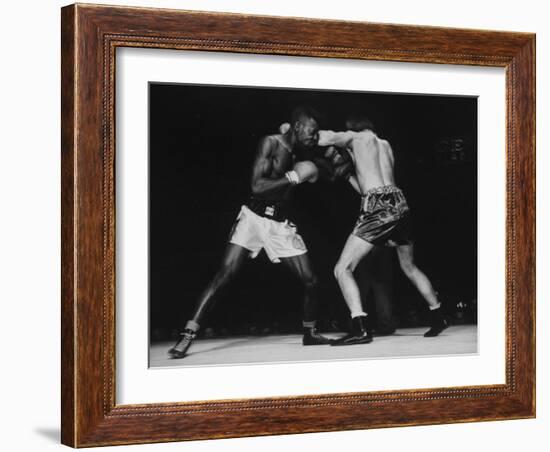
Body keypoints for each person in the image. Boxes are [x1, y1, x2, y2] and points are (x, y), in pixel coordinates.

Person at [168, 106, 332, 359]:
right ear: (298, 126)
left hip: (279, 224)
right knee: (224, 274)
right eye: (312, 131)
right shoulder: (270, 143)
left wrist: (320, 161)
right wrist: (293, 178)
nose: (315, 136)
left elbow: (324, 164)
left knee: (311, 280)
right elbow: (257, 186)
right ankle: (187, 334)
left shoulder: (299, 149)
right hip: (253, 218)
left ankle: (309, 333)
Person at [317, 116, 448, 345]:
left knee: (342, 268)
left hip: (378, 206)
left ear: (352, 127)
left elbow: (320, 137)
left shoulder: (354, 137)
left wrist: (291, 128)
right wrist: (348, 175)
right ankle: (438, 316)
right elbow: (370, 185)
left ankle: (360, 329)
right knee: (409, 266)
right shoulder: (386, 145)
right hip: (400, 203)